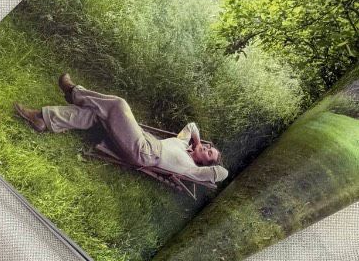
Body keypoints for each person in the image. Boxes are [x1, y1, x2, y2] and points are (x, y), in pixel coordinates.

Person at [14, 73, 228, 184]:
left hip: (144, 152)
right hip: (142, 140)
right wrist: (197, 143)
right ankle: (42, 119)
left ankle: (74, 92)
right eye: (209, 147)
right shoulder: (183, 143)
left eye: (209, 154)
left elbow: (221, 172)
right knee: (95, 115)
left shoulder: (192, 169)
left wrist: (212, 162)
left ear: (203, 163)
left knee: (118, 104)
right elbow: (192, 126)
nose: (206, 148)